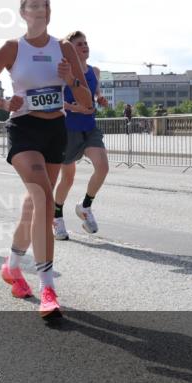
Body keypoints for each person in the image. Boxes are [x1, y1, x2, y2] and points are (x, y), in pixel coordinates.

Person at [0, 0, 91, 319]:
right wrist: (1, 102)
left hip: (55, 131)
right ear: (23, 13)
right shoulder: (12, 48)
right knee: (43, 198)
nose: (41, 10)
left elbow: (86, 102)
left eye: (46, 5)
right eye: (34, 6)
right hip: (24, 128)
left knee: (34, 203)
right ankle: (48, 288)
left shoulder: (63, 48)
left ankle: (12, 266)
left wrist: (70, 79)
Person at [52, 31, 110, 240]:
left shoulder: (94, 71)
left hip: (89, 127)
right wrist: (74, 107)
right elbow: (55, 98)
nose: (85, 46)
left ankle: (85, 206)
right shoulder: (62, 71)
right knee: (68, 178)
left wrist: (101, 99)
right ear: (69, 49)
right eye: (79, 44)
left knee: (102, 167)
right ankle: (57, 216)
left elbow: (96, 93)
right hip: (68, 129)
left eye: (86, 43)